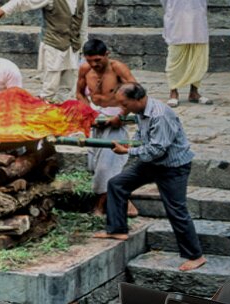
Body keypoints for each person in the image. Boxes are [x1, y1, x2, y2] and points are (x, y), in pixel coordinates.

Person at [94, 82, 206, 272]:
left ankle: (196, 256)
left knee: (176, 210)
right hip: (151, 162)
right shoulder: (140, 111)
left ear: (137, 99)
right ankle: (117, 229)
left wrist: (128, 151)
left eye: (125, 104)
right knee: (116, 184)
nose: (123, 108)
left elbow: (157, 149)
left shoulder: (159, 115)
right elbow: (141, 134)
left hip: (172, 166)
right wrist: (132, 144)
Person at [75, 39, 138, 218]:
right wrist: (89, 113)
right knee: (95, 165)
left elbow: (136, 93)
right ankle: (124, 201)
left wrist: (121, 116)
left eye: (98, 60)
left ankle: (100, 206)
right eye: (90, 60)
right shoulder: (84, 69)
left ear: (106, 55)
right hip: (96, 120)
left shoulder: (118, 68)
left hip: (116, 120)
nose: (94, 64)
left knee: (106, 166)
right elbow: (79, 93)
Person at [0, 0, 84, 102]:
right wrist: (1, 11)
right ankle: (46, 104)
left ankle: (63, 105)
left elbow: (82, 24)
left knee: (67, 84)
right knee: (50, 85)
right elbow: (23, 1)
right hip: (55, 45)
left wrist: (82, 46)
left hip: (73, 46)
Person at [161, 0, 212, 107]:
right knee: (175, 57)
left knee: (198, 57)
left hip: (197, 17)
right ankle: (173, 92)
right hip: (177, 17)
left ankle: (194, 92)